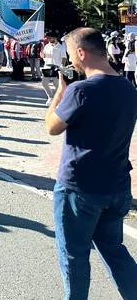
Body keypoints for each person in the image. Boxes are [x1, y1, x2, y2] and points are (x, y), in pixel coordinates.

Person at [44, 27, 137, 299]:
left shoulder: (80, 91)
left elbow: (52, 127)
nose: (71, 62)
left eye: (72, 55)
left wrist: (61, 92)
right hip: (117, 185)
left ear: (82, 53)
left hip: (79, 188)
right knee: (114, 250)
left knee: (74, 257)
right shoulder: (129, 88)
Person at [40, 32, 67, 106]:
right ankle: (51, 97)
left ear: (55, 38)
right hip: (47, 67)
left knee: (57, 85)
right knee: (44, 83)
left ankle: (57, 99)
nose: (48, 39)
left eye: (50, 38)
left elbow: (64, 57)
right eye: (48, 38)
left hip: (56, 68)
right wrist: (42, 51)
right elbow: (42, 56)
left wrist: (62, 66)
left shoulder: (61, 47)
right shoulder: (46, 46)